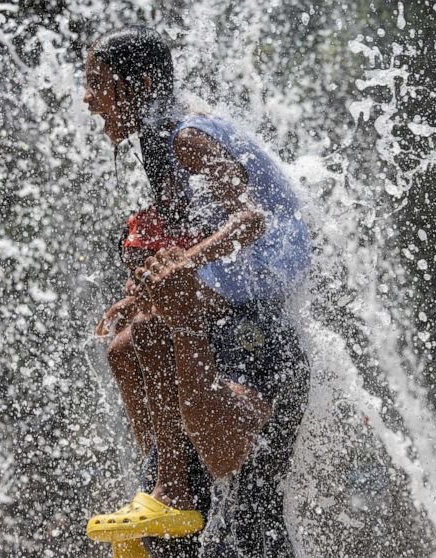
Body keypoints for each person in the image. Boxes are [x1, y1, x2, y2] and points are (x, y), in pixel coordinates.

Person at [82, 26, 312, 557]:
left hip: (259, 289)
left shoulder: (187, 135)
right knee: (126, 343)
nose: (89, 98)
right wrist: (149, 285)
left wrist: (182, 266)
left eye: (98, 83)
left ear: (139, 85)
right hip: (235, 288)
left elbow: (249, 217)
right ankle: (167, 474)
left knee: (150, 330)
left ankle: (174, 485)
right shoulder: (157, 138)